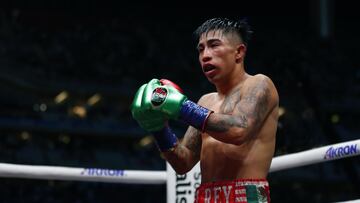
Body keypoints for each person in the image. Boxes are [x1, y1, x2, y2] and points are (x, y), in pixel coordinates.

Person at [131, 17, 279, 203]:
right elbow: (183, 163)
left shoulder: (259, 84)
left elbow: (238, 130)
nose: (205, 55)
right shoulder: (205, 101)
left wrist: (181, 107)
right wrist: (158, 128)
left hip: (246, 195)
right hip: (205, 196)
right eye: (201, 49)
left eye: (214, 45)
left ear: (239, 52)